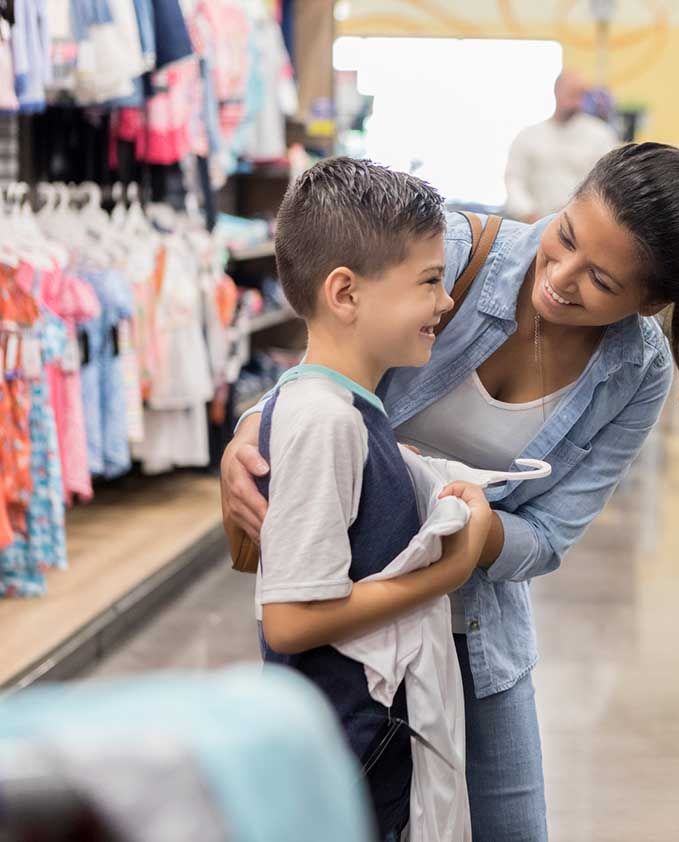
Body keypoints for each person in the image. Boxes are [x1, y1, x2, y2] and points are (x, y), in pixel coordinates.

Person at [222, 142, 679, 842]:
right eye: (564, 236)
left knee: (507, 825)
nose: (560, 277)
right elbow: (319, 370)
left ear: (651, 302)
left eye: (600, 281)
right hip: (349, 621)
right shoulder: (444, 252)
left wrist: (473, 537)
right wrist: (247, 437)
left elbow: (550, 535)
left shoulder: (636, 372)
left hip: (476, 629)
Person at [250, 158, 492, 840]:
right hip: (346, 755)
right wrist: (445, 573)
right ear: (346, 294)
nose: (445, 303)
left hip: (363, 747)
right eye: (429, 282)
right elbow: (291, 619)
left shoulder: (350, 412)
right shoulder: (322, 420)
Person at [503, 70, 619, 222]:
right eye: (571, 94)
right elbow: (514, 179)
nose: (576, 102)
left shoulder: (601, 136)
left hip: (582, 226)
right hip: (532, 224)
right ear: (556, 91)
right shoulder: (528, 136)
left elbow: (607, 184)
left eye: (580, 95)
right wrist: (528, 213)